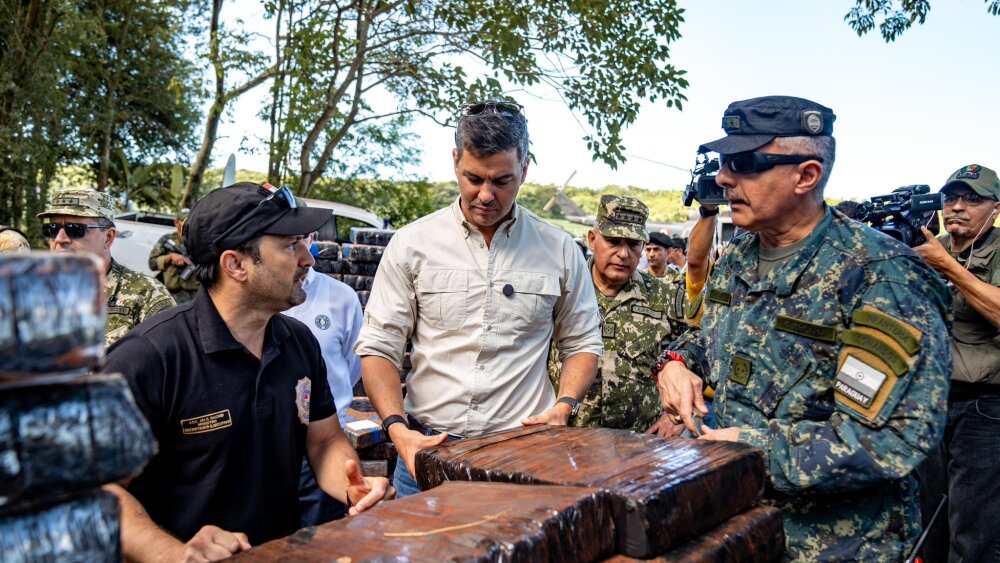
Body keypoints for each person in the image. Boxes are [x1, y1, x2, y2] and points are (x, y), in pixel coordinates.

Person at [654, 96, 952, 561]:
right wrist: (674, 364)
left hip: (839, 546)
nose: (722, 177)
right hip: (743, 526)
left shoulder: (881, 276)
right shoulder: (738, 256)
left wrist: (754, 450)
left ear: (806, 175)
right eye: (723, 162)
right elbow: (709, 338)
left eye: (744, 162)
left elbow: (892, 438)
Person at [102, 183, 393, 561]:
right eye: (290, 246)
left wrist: (352, 483)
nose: (308, 259)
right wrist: (173, 553)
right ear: (235, 264)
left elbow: (322, 442)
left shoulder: (300, 343)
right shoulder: (149, 357)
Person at [356, 98, 603, 498]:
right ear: (455, 161)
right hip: (427, 451)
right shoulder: (411, 244)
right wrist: (398, 432)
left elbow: (582, 341)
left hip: (522, 454)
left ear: (524, 169)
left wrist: (565, 406)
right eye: (474, 178)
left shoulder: (559, 249)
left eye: (502, 181)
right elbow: (379, 346)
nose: (486, 195)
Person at [914, 164, 1000, 563]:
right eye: (951, 198)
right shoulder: (929, 246)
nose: (958, 208)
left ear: (995, 208)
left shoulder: (993, 249)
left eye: (973, 199)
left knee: (974, 531)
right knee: (931, 520)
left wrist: (947, 267)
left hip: (985, 407)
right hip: (931, 405)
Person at [550, 195, 685, 437]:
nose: (623, 254)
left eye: (633, 244)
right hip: (566, 441)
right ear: (593, 240)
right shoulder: (561, 289)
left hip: (641, 446)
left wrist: (677, 414)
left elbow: (707, 344)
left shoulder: (665, 296)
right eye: (613, 241)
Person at [284, 231, 364, 527]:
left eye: (302, 238)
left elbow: (352, 364)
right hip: (271, 449)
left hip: (327, 441)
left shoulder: (341, 297)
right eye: (288, 243)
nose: (304, 254)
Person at [38, 187, 174, 347]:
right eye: (52, 229)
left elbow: (172, 361)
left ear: (108, 238)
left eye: (74, 229)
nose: (60, 239)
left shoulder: (146, 294)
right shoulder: (30, 290)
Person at [148, 208, 199, 303]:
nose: (187, 223)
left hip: (195, 294)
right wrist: (169, 257)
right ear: (176, 222)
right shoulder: (166, 240)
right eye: (183, 220)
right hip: (171, 295)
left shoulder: (200, 240)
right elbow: (152, 264)